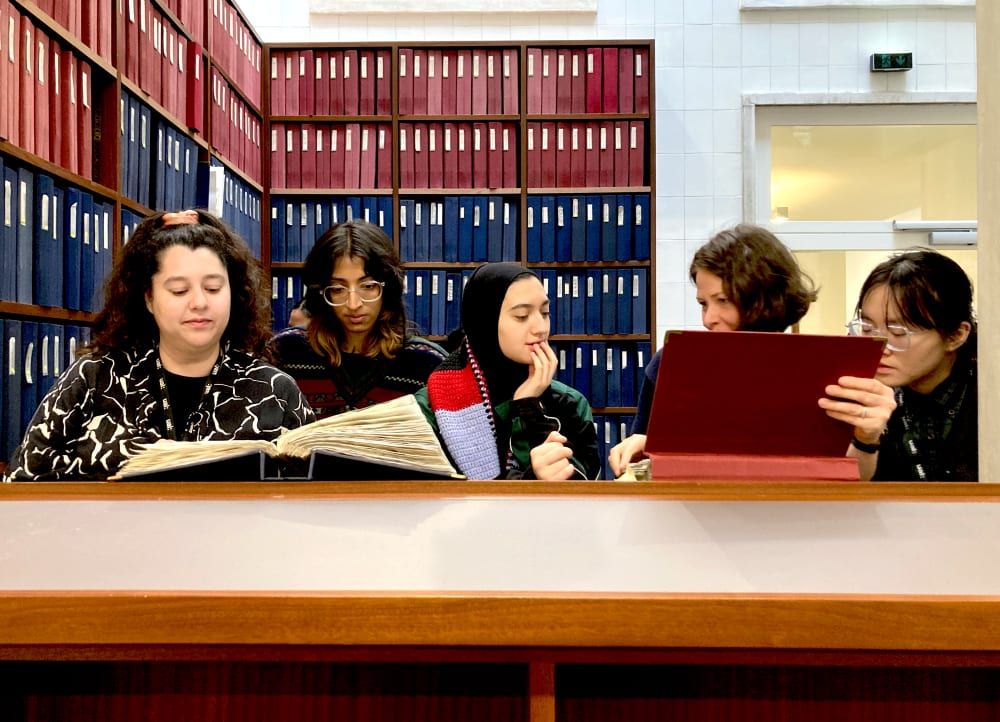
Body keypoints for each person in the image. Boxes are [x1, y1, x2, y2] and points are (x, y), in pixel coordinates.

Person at [3, 210, 314, 482]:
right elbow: (23, 480)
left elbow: (316, 492)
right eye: (179, 291)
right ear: (148, 298)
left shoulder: (274, 389)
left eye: (213, 288)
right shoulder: (93, 378)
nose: (199, 303)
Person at [608, 224, 818, 477]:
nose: (708, 319)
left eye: (723, 300)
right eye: (703, 304)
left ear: (764, 297)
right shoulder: (671, 362)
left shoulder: (811, 367)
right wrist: (643, 449)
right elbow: (642, 455)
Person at [415, 262, 601, 480]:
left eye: (545, 312)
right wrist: (531, 482)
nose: (541, 328)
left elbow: (587, 489)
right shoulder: (432, 406)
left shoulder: (568, 402)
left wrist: (529, 408)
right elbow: (430, 501)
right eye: (522, 316)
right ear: (485, 323)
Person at [818, 249, 976, 481]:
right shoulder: (855, 395)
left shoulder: (986, 399)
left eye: (898, 332)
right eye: (868, 328)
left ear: (956, 336)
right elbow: (837, 492)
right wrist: (866, 438)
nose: (881, 347)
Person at [268, 220, 445, 418]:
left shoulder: (427, 364)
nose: (353, 304)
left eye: (368, 286)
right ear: (321, 294)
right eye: (338, 289)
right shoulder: (285, 351)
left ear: (388, 288)